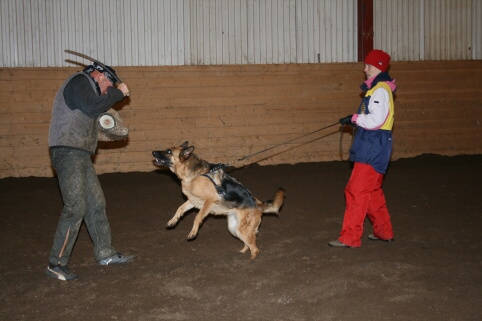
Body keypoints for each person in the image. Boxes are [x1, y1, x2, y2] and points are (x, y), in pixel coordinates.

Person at [46, 62, 133, 281]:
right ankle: (56, 264)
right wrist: (117, 92)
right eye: (107, 87)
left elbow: (92, 113)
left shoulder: (85, 91)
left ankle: (105, 253)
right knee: (76, 207)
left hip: (79, 153)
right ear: (101, 77)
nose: (106, 92)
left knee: (96, 203)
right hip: (67, 152)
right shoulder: (79, 81)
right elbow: (93, 105)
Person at [329, 49, 396, 248]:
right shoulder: (378, 89)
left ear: (378, 67)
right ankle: (384, 232)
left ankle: (350, 237)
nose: (365, 69)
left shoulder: (380, 90)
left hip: (372, 148)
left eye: (368, 65)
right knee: (372, 191)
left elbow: (376, 119)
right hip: (375, 146)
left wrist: (355, 118)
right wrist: (354, 119)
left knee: (355, 191)